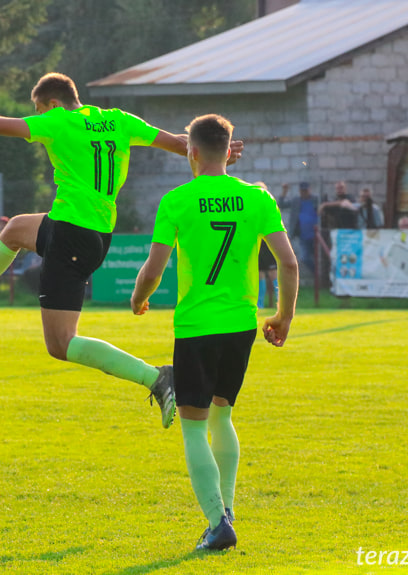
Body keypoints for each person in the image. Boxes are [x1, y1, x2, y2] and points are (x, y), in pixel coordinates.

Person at [0, 72, 243, 428]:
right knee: (16, 228)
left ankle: (156, 377)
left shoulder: (58, 120)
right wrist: (218, 156)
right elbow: (178, 142)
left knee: (61, 344)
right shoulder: (119, 120)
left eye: (39, 109)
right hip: (94, 234)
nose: (39, 115)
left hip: (70, 235)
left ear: (52, 103)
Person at [131, 114, 298, 551]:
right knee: (223, 415)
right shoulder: (257, 197)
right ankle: (227, 506)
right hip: (240, 325)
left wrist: (138, 297)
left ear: (190, 151)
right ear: (229, 150)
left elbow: (154, 268)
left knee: (192, 428)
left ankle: (216, 522)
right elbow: (289, 262)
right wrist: (283, 316)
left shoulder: (178, 200)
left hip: (196, 326)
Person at [278, 181, 318, 273]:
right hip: (303, 236)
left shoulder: (315, 200)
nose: (304, 192)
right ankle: (317, 274)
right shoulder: (296, 201)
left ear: (309, 190)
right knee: (304, 258)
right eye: (302, 191)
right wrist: (284, 191)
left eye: (306, 190)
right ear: (300, 191)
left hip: (317, 236)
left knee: (319, 259)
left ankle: (320, 279)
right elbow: (281, 205)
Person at [254, 181, 278, 308]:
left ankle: (280, 302)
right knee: (260, 274)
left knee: (273, 273)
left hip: (268, 245)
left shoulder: (269, 206)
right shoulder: (252, 207)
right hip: (258, 246)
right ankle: (260, 304)